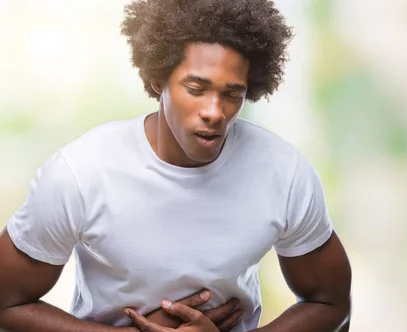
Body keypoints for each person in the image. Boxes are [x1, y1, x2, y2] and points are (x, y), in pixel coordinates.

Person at [0, 0, 352, 331]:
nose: (215, 112)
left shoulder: (284, 173)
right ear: (159, 79)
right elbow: (6, 305)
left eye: (232, 94)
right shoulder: (79, 174)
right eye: (196, 88)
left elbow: (331, 304)